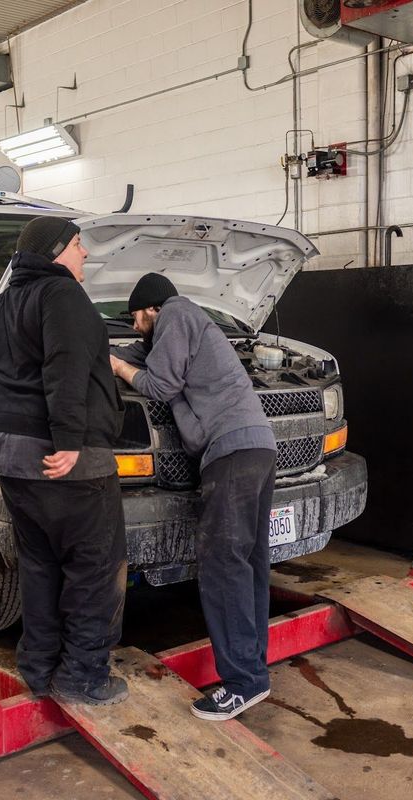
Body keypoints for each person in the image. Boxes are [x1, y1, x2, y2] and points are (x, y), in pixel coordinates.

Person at [0, 216, 128, 706]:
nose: (85, 253)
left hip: (12, 457)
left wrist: (7, 329)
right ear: (55, 251)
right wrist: (69, 440)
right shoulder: (63, 294)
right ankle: (83, 677)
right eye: (77, 244)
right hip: (67, 461)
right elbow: (66, 366)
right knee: (94, 568)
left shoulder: (6, 300)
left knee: (39, 566)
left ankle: (39, 669)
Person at [110, 272, 276, 721]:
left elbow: (160, 386)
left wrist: (119, 369)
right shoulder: (185, 330)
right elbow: (142, 354)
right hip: (259, 449)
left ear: (151, 308)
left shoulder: (178, 313)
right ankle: (254, 671)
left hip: (232, 453)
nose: (135, 327)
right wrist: (109, 354)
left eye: (135, 317)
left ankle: (242, 683)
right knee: (249, 563)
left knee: (222, 565)